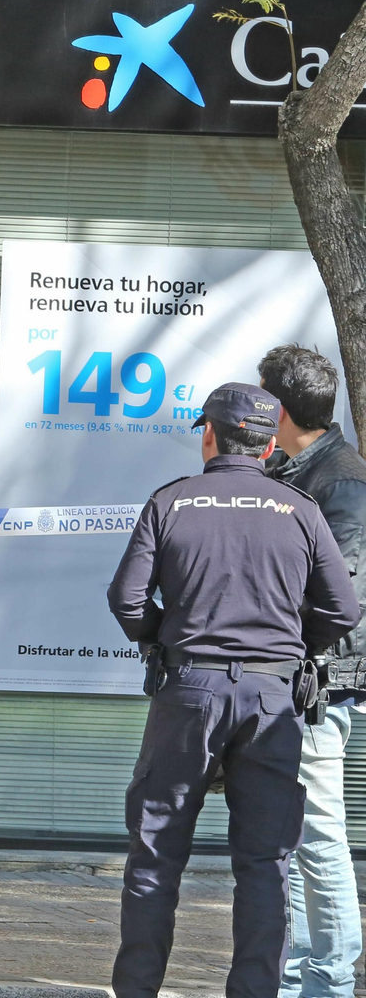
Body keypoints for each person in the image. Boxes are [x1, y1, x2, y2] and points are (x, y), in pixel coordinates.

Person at [106, 382, 360, 998]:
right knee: (266, 863)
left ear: (210, 436)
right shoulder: (299, 509)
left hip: (187, 692)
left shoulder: (171, 502)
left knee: (156, 853)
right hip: (272, 700)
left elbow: (125, 597)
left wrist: (161, 640)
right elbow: (343, 610)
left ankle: (137, 988)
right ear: (269, 442)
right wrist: (290, 646)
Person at [257, 346, 366, 998]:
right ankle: (295, 975)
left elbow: (340, 594)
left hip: (318, 683)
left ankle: (328, 977)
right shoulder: (282, 467)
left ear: (281, 406)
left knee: (319, 834)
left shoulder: (343, 480)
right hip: (282, 675)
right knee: (290, 833)